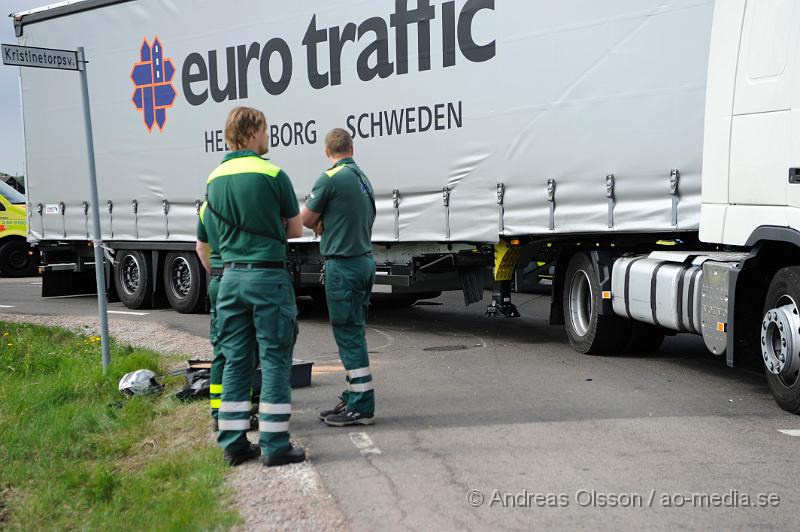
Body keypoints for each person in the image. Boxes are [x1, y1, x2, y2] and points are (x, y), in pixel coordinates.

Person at [202, 106, 305, 467]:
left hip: (229, 279)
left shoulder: (214, 178)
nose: (268, 136)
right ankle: (275, 445)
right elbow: (296, 230)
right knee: (275, 360)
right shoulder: (273, 173)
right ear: (251, 132)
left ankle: (233, 443)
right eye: (265, 130)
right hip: (266, 277)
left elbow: (209, 238)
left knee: (235, 361)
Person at [301, 128, 377, 427]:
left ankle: (361, 406)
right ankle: (354, 394)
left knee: (348, 335)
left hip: (343, 266)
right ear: (352, 148)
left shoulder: (330, 177)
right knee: (355, 333)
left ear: (326, 151)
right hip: (364, 261)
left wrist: (321, 226)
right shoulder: (362, 178)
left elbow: (306, 219)